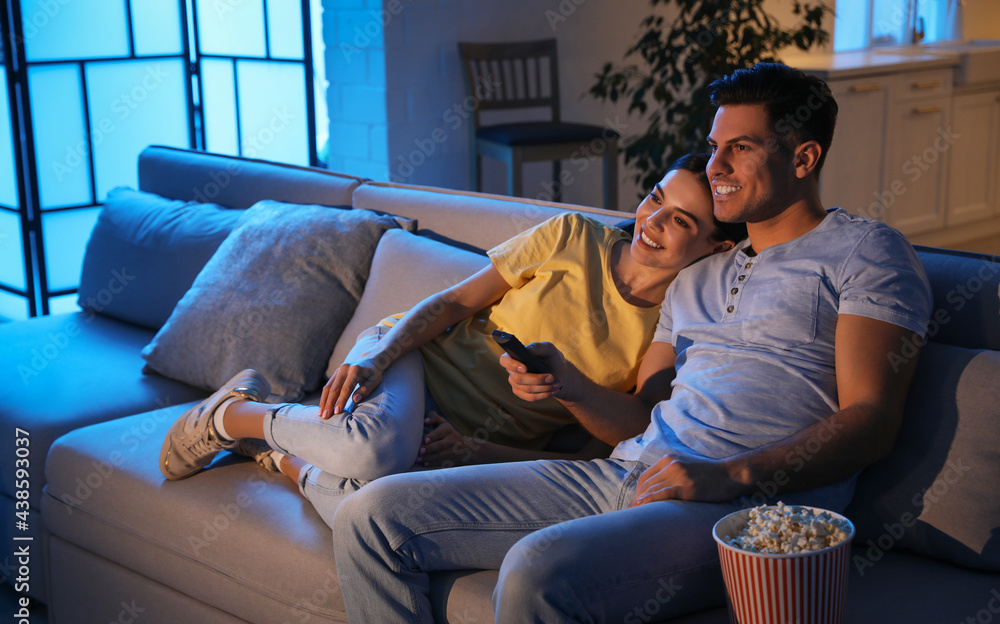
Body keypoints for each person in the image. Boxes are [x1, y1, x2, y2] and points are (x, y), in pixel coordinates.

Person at [330, 62, 934, 624]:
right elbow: (642, 415)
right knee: (371, 518)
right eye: (714, 147)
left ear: (803, 158)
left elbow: (872, 420)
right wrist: (568, 385)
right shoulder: (696, 276)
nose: (717, 166)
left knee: (536, 574)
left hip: (740, 511)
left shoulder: (866, 252)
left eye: (741, 148)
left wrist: (730, 475)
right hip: (624, 473)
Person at [158, 154, 746, 528]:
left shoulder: (676, 320)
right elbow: (455, 302)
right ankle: (232, 414)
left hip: (453, 440)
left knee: (365, 514)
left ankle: (282, 456)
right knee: (371, 451)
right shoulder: (573, 236)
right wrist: (379, 355)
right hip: (412, 361)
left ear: (718, 247)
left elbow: (620, 438)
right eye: (656, 198)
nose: (653, 221)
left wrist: (478, 447)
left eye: (682, 220)